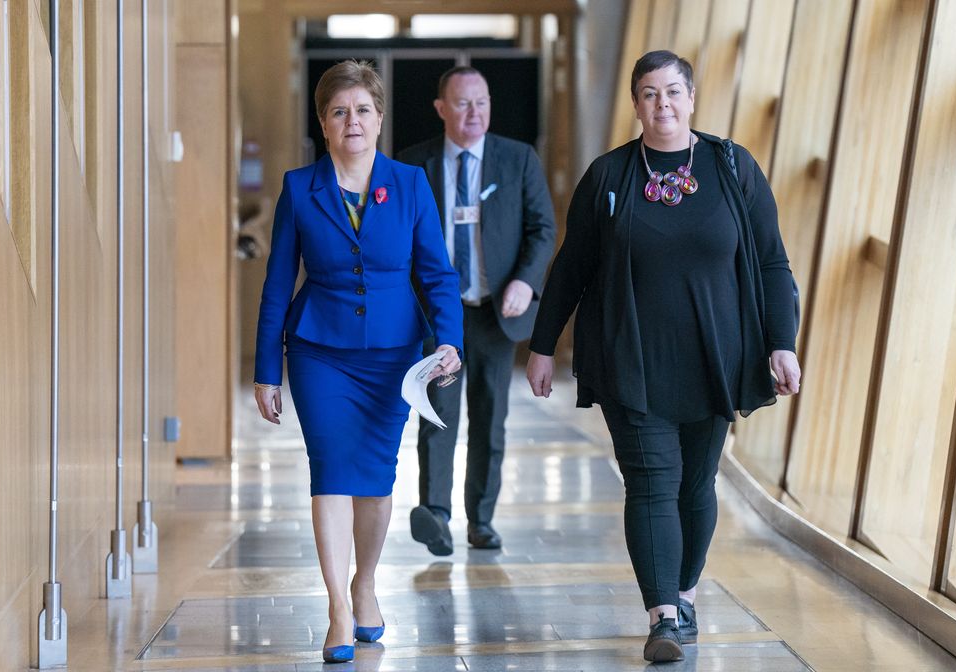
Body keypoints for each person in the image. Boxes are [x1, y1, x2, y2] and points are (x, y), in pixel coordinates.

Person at [526, 50, 801, 663]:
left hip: (716, 357)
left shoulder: (733, 168)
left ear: (692, 97)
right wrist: (542, 346)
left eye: (673, 92)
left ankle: (684, 591)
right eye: (649, 94)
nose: (663, 104)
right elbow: (572, 266)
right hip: (631, 358)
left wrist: (782, 342)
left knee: (696, 485)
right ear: (636, 103)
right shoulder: (610, 176)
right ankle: (663, 617)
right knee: (652, 482)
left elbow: (773, 261)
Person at [253, 60, 463, 664]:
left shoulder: (411, 184)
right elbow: (276, 285)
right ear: (323, 122)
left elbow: (437, 274)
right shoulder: (299, 188)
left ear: (379, 118)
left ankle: (364, 583)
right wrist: (268, 368)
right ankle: (337, 609)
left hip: (394, 357)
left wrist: (448, 340)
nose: (353, 121)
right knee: (332, 471)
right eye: (339, 111)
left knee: (375, 477)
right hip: (320, 352)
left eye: (363, 110)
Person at [397, 66, 556, 555]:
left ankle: (481, 519)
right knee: (438, 413)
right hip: (439, 312)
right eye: (463, 104)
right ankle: (437, 515)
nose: (474, 113)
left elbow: (543, 229)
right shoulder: (413, 165)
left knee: (490, 417)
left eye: (482, 102)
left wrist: (526, 284)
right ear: (441, 108)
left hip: (493, 311)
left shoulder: (518, 159)